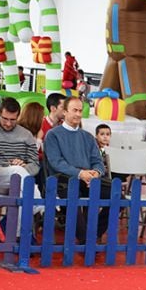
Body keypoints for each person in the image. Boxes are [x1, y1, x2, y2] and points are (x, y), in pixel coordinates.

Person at [43, 96, 111, 243]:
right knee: (72, 196)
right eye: (74, 110)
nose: (78, 114)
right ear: (65, 112)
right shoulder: (53, 135)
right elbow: (56, 163)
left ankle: (94, 234)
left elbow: (98, 162)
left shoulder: (88, 137)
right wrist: (81, 174)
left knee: (118, 197)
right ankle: (86, 240)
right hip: (63, 180)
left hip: (89, 180)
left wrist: (96, 173)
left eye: (80, 111)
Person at [0, 97, 40, 196]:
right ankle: (40, 209)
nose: (8, 123)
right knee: (20, 175)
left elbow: (35, 164)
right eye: (5, 118)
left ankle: (32, 210)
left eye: (13, 120)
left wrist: (24, 167)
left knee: (20, 183)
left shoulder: (27, 135)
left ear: (18, 116)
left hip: (19, 179)